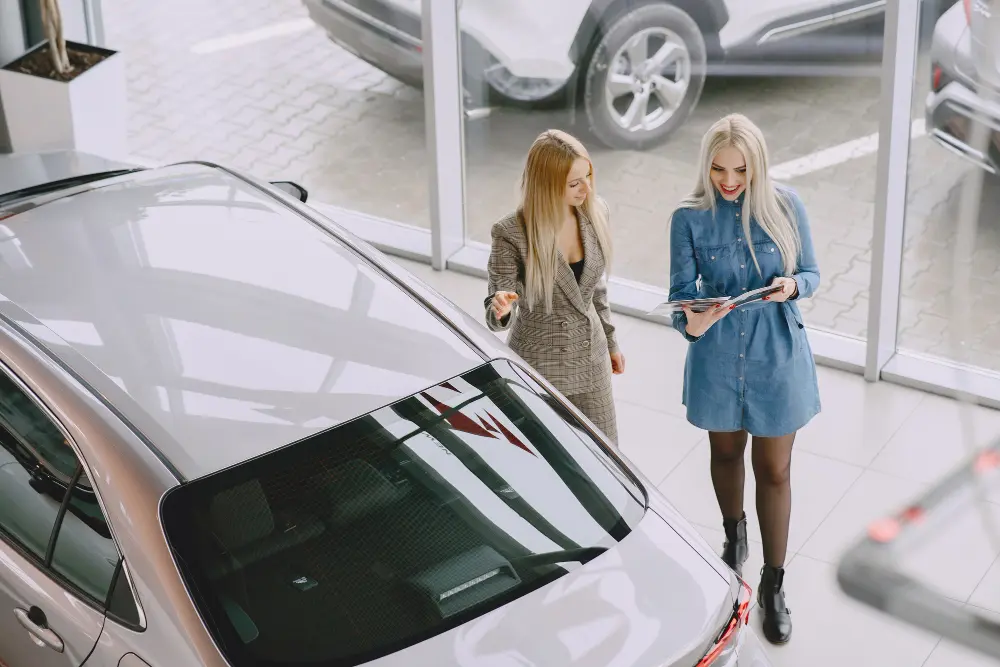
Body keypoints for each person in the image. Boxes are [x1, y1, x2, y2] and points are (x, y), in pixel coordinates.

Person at [667, 113, 821, 645]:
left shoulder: (786, 205)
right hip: (717, 356)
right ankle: (734, 538)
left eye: (739, 170)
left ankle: (773, 584)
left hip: (776, 354)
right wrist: (692, 318)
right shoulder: (688, 218)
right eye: (718, 169)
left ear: (758, 166)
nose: (729, 181)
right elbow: (680, 295)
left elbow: (813, 275)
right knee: (726, 455)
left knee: (774, 471)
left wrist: (791, 286)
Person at [485, 129, 624, 444]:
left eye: (587, 176)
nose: (586, 188)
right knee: (548, 458)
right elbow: (495, 316)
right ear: (546, 185)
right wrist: (502, 306)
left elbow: (596, 290)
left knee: (607, 456)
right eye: (574, 183)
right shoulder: (511, 232)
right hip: (539, 364)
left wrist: (612, 342)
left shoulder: (596, 213)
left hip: (592, 356)